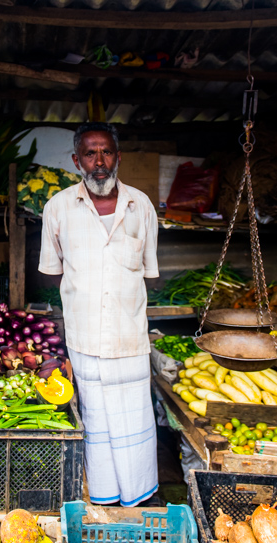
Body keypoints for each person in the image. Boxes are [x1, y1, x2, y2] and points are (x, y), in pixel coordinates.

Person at [38, 122, 161, 507]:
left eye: (106, 152)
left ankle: (139, 495)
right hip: (85, 337)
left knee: (135, 422)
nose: (99, 162)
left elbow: (149, 273)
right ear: (77, 160)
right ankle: (104, 496)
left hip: (129, 339)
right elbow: (52, 273)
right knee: (97, 421)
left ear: (118, 156)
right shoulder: (58, 208)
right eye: (90, 154)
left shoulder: (140, 205)